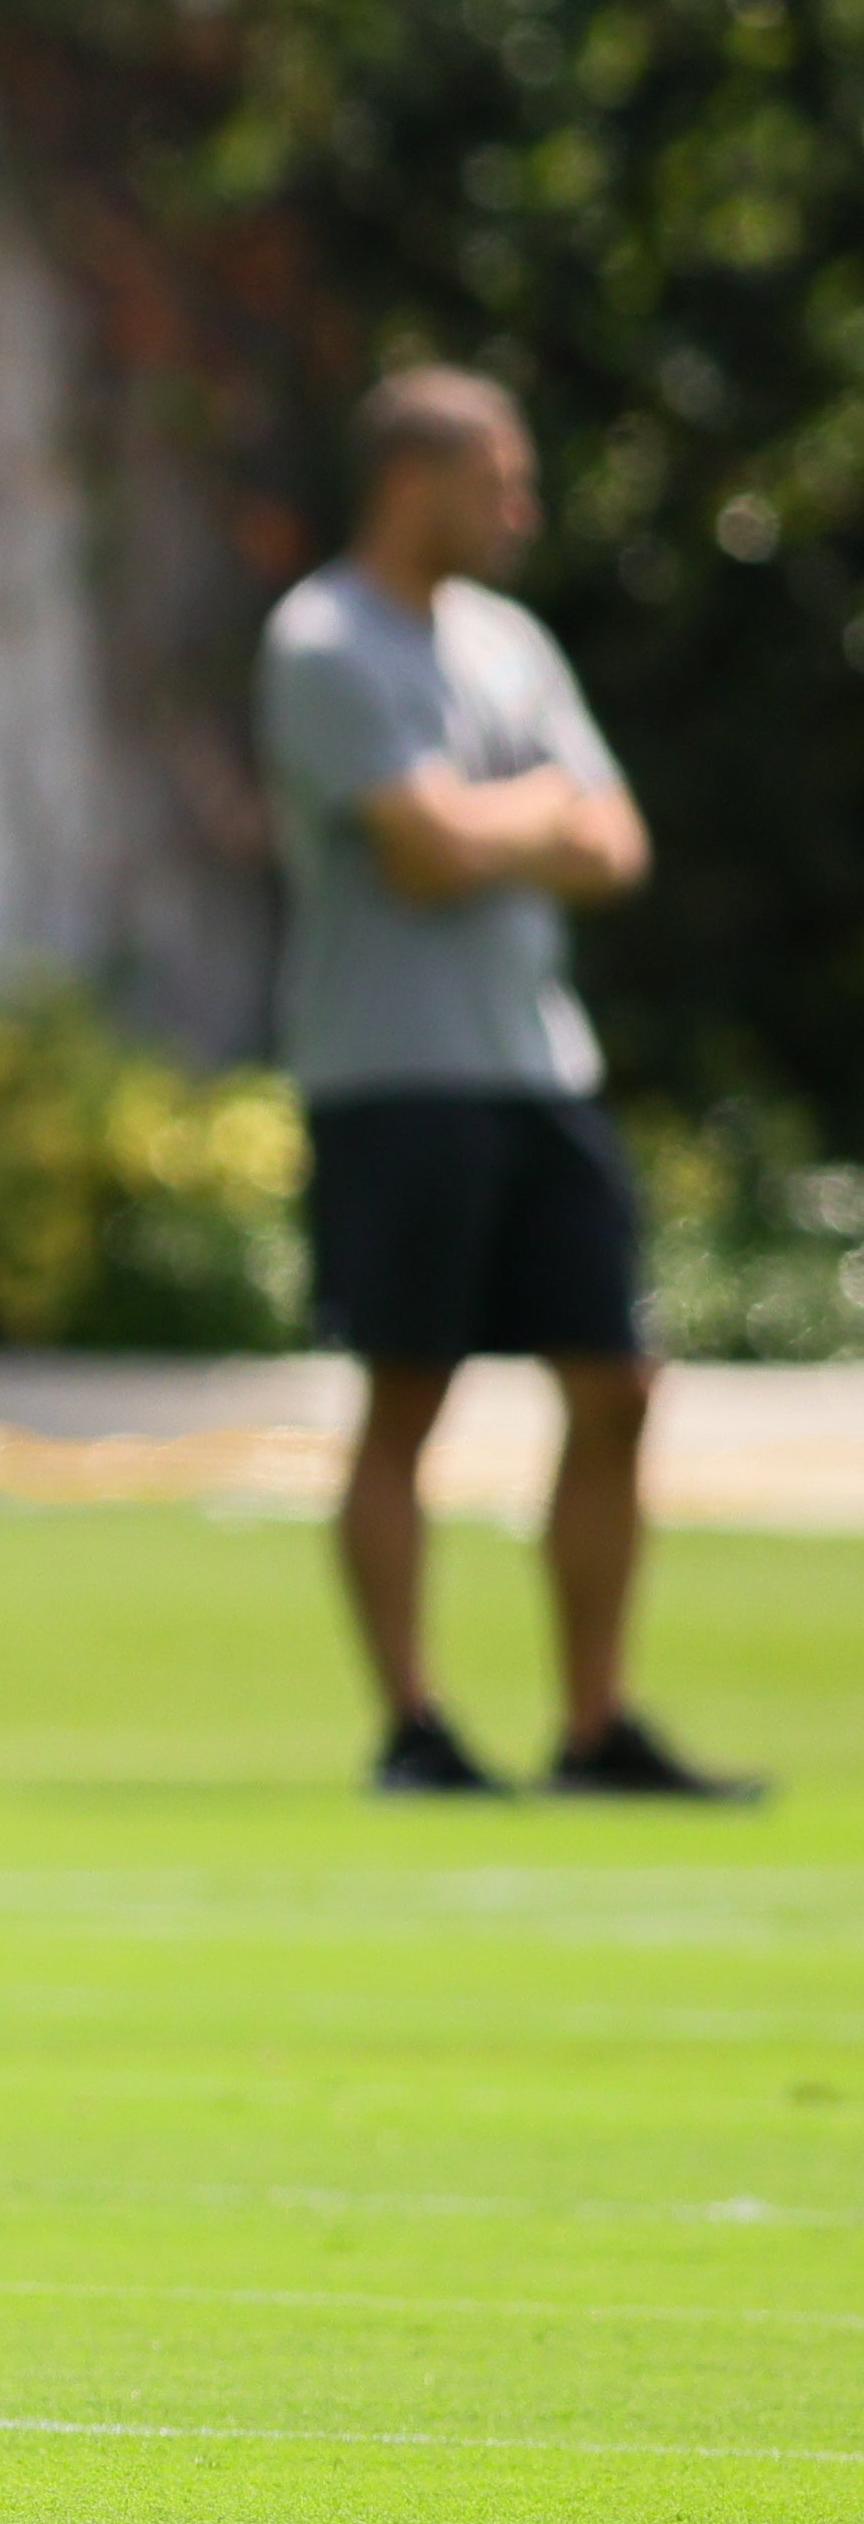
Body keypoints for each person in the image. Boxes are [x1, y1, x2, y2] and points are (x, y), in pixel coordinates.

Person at [256, 366, 758, 1804]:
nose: (521, 511)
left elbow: (617, 843)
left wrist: (504, 823)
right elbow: (421, 856)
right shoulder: (323, 640)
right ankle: (413, 1727)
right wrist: (534, 814)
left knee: (617, 1387)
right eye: (497, 484)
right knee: (404, 1395)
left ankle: (594, 1729)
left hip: (539, 1070)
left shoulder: (509, 642)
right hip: (392, 1074)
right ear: (411, 481)